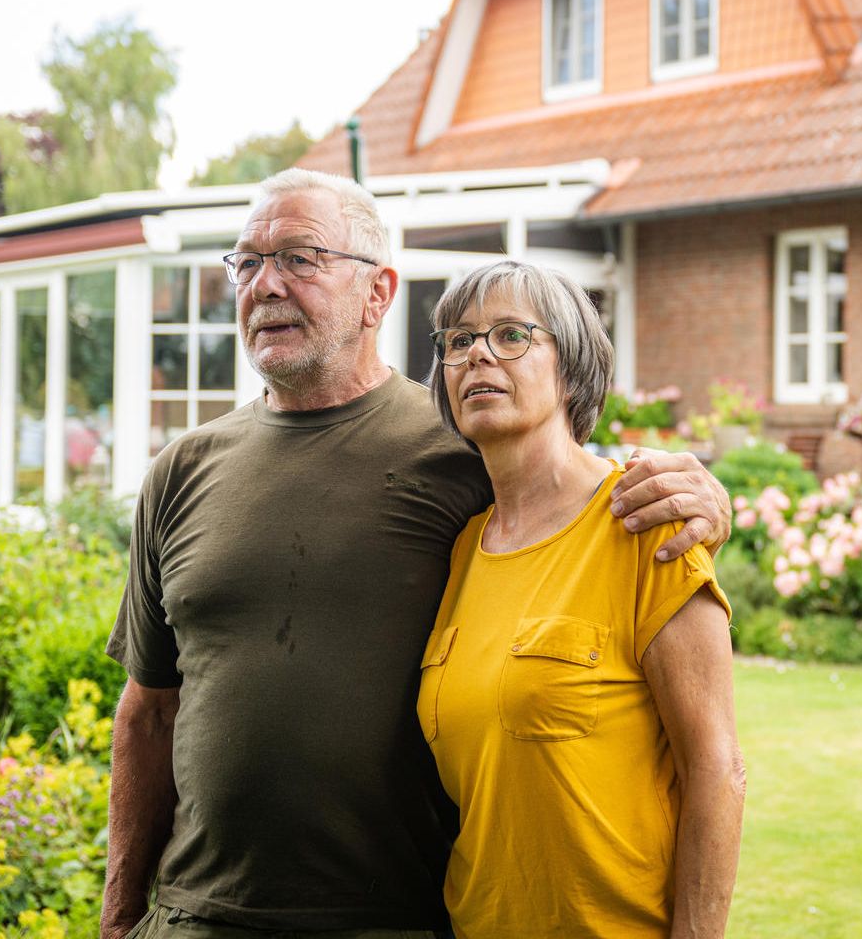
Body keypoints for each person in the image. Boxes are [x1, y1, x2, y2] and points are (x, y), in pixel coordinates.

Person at [101, 169, 731, 939]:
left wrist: (701, 492)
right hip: (195, 916)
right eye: (247, 262)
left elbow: (565, 483)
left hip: (394, 918)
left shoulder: (462, 455)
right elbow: (147, 711)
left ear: (377, 293)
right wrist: (121, 916)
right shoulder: (181, 470)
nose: (266, 284)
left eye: (300, 258)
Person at [421, 261, 744, 939]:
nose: (476, 352)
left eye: (511, 335)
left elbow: (715, 768)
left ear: (570, 369)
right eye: (458, 341)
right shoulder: (464, 550)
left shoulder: (647, 526)